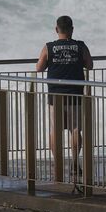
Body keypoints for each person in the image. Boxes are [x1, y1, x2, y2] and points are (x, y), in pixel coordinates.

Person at [36, 16, 93, 180]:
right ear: (72, 29)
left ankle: (58, 163)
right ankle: (75, 163)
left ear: (56, 29)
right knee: (75, 129)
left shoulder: (49, 47)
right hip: (75, 93)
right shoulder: (80, 46)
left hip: (55, 95)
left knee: (55, 129)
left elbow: (39, 68)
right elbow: (90, 65)